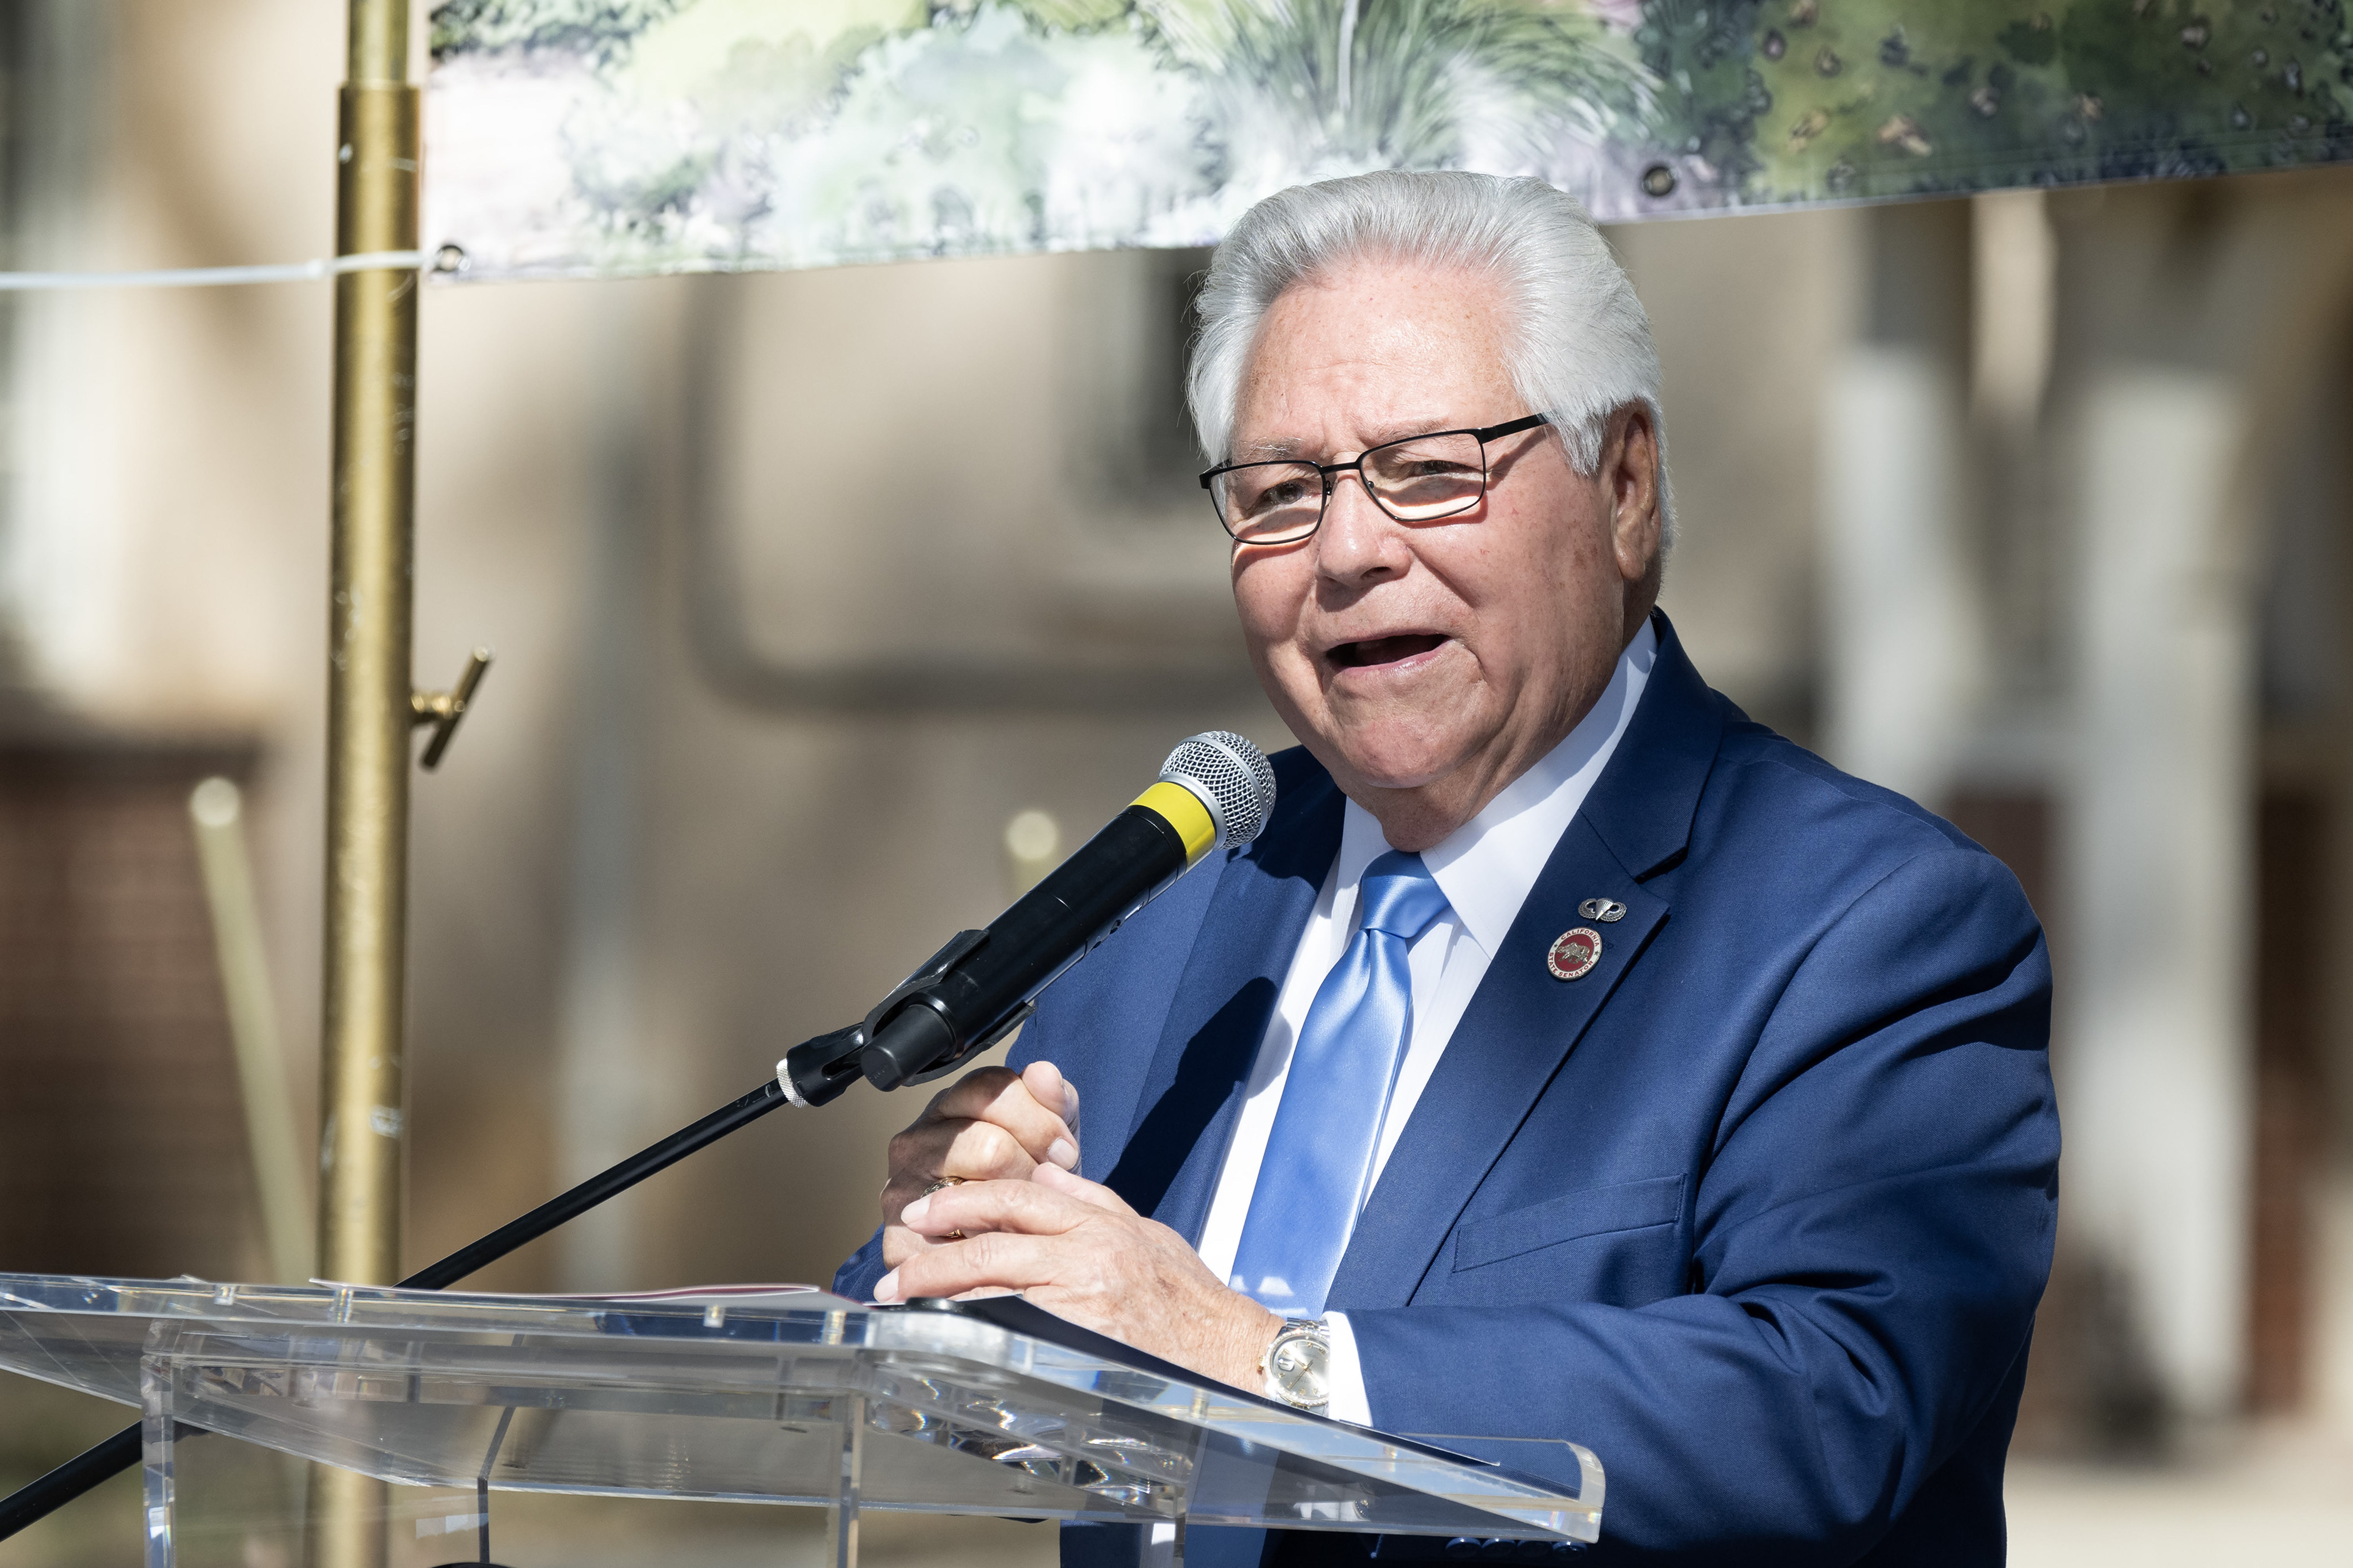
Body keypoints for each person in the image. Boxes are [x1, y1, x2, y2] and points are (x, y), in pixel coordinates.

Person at [833, 171, 2058, 1566]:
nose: (1350, 551)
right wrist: (954, 1254)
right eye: (1281, 492)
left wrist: (1261, 1356)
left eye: (1431, 469)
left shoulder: (1865, 922)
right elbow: (990, 1354)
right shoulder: (1174, 892)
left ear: (1627, 489)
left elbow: (1833, 1401)